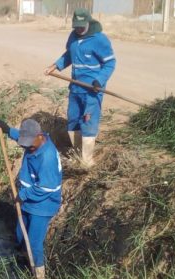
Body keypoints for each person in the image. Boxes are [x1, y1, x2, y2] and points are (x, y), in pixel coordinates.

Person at [44, 8, 116, 167]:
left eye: (81, 26)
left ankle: (87, 160)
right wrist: (54, 66)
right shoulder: (73, 37)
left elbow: (110, 63)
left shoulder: (100, 40)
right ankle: (78, 154)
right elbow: (68, 55)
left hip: (92, 90)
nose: (78, 29)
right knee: (73, 119)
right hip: (76, 88)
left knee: (88, 121)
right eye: (76, 26)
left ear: (89, 22)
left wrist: (99, 80)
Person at [0, 118, 62, 279]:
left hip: (42, 204)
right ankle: (25, 261)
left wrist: (22, 195)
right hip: (28, 200)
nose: (27, 147)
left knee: (34, 242)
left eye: (29, 144)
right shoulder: (32, 141)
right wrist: (8, 130)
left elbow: (46, 188)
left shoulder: (47, 157)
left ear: (40, 136)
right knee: (20, 234)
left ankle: (39, 278)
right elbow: (22, 137)